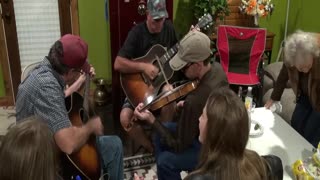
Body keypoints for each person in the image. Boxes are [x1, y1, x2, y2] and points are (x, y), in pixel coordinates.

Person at [15, 34, 123, 180]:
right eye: (79, 71)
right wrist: (90, 126)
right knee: (114, 145)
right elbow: (68, 144)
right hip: (39, 163)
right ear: (70, 72)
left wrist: (80, 82)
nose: (80, 73)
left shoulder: (45, 72)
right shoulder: (46, 86)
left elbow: (59, 97)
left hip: (42, 144)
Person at [134, 30, 229, 179]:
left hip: (210, 149)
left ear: (198, 65)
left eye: (184, 66)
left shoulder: (195, 100)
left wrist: (152, 120)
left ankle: (164, 169)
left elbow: (178, 145)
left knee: (165, 160)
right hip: (216, 134)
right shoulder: (218, 69)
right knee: (160, 134)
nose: (182, 70)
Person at [114, 0, 182, 153]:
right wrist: (143, 67)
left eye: (162, 19)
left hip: (161, 84)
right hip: (139, 88)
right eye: (155, 20)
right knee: (125, 118)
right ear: (147, 14)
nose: (159, 24)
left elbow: (178, 53)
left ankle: (162, 140)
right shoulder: (136, 33)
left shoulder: (169, 28)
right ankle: (151, 147)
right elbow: (118, 64)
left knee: (170, 95)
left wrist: (189, 42)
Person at [185, 88, 283, 180]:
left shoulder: (195, 178)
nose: (199, 119)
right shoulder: (263, 163)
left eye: (202, 115)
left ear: (213, 130)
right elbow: (277, 163)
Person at [265, 30, 320, 147]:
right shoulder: (291, 56)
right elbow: (282, 77)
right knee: (296, 123)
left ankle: (308, 158)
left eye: (307, 66)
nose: (305, 70)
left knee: (311, 132)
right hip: (304, 94)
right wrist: (273, 98)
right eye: (301, 67)